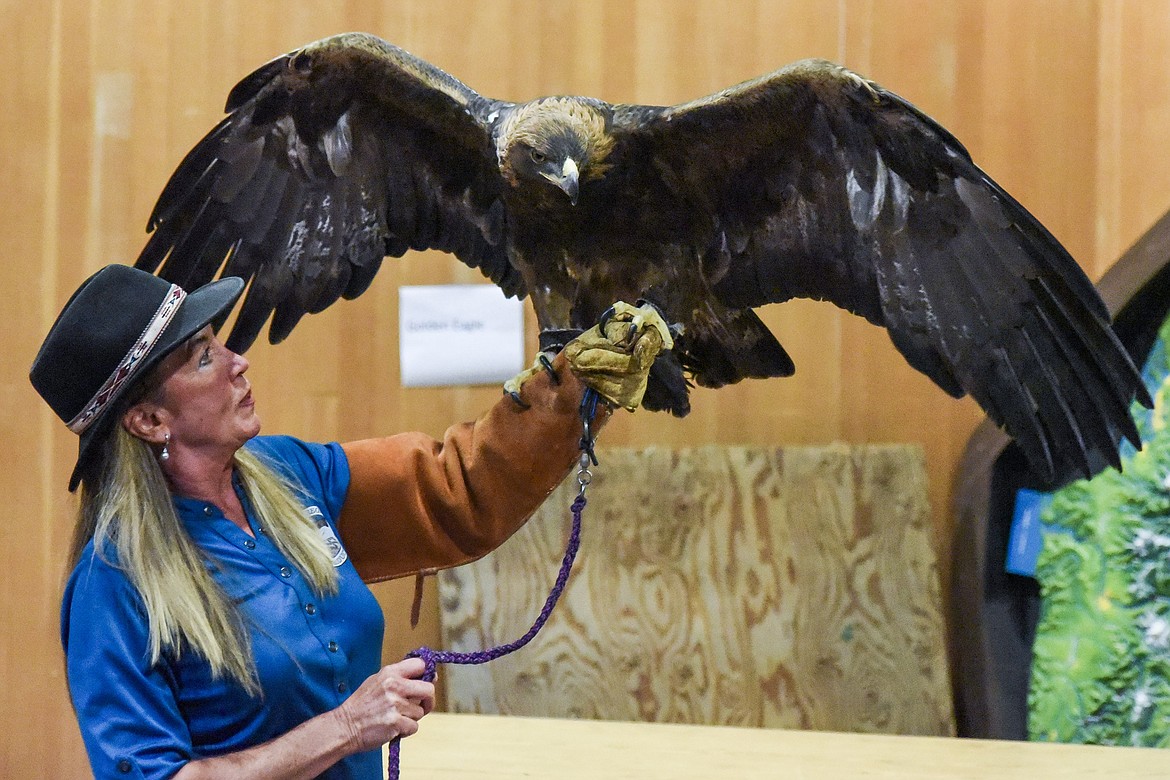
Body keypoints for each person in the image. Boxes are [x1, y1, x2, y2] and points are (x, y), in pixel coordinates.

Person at [31, 264, 670, 780]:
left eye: (220, 341)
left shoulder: (287, 473)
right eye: (202, 357)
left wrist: (570, 392)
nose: (237, 361)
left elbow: (456, 487)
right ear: (148, 421)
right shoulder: (113, 585)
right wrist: (345, 728)